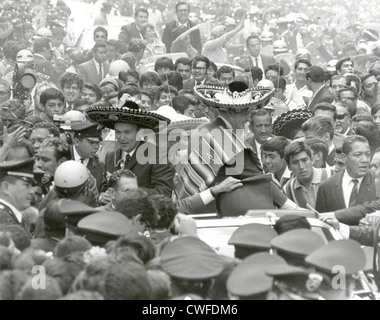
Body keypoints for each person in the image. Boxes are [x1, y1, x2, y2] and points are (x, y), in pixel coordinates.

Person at [175, 81, 298, 213]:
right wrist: (294, 208)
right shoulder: (225, 139)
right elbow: (258, 179)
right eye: (246, 112)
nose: (248, 118)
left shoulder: (202, 129)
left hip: (189, 207)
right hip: (211, 213)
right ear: (232, 112)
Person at [86, 98, 175, 198]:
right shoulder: (111, 156)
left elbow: (163, 192)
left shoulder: (158, 155)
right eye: (118, 132)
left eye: (127, 132)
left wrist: (129, 193)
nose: (122, 138)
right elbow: (104, 188)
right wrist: (103, 196)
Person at [316, 135, 376, 213]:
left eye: (367, 154)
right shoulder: (326, 187)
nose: (365, 160)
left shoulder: (376, 182)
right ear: (344, 157)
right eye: (358, 155)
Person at [283, 140, 331, 209]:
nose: (301, 166)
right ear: (289, 167)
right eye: (295, 162)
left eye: (304, 160)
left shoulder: (330, 175)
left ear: (312, 160)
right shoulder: (288, 190)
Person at [0, 158, 35, 233]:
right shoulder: (3, 219)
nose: (32, 191)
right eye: (26, 185)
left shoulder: (8, 216)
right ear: (6, 187)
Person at [70, 122, 104, 192]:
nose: (96, 147)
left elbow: (102, 190)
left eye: (98, 143)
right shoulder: (63, 158)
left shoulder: (100, 165)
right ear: (76, 142)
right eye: (91, 142)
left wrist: (101, 197)